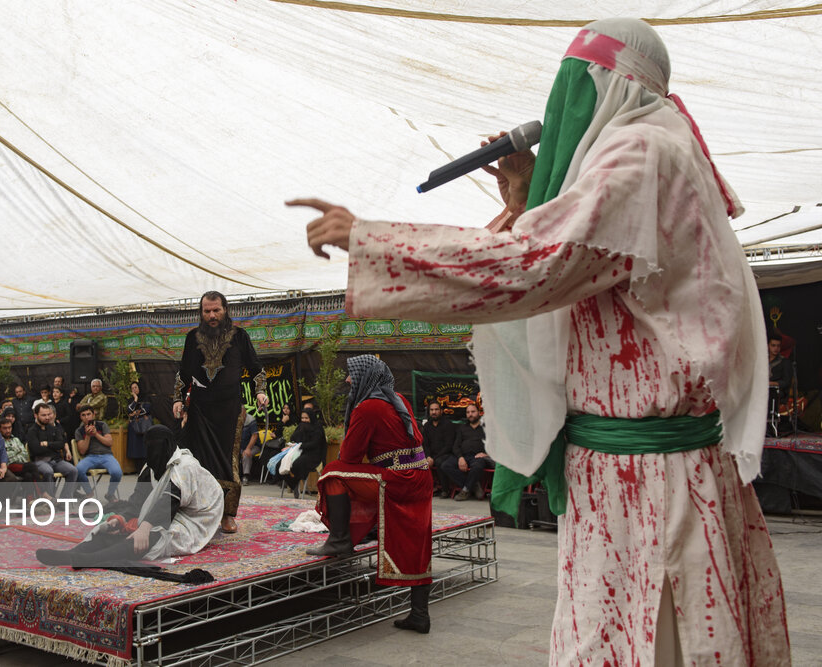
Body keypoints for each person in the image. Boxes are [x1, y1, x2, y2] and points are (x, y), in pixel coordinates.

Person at [289, 18, 788, 664]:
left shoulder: (642, 156)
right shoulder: (655, 148)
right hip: (629, 477)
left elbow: (534, 267)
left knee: (649, 640)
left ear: (606, 87)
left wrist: (372, 240)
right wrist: (527, 195)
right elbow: (566, 271)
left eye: (571, 87)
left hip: (652, 486)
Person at [305, 355, 432, 634]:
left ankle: (340, 540)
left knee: (333, 473)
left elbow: (350, 455)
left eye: (352, 375)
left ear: (366, 377)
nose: (348, 380)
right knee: (418, 542)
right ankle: (419, 614)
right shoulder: (397, 398)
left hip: (397, 479)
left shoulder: (368, 407)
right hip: (420, 477)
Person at [36, 425, 223, 568]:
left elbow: (169, 501)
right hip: (173, 508)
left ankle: (90, 560)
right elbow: (138, 500)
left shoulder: (184, 466)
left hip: (196, 515)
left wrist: (144, 528)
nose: (152, 450)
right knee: (116, 528)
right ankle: (74, 553)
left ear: (166, 445)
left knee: (153, 535)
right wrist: (120, 519)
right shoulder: (151, 466)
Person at [172, 291, 268, 534]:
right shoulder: (192, 338)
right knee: (198, 462)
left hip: (230, 409)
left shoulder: (239, 337)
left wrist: (260, 391)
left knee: (228, 461)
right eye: (207, 311)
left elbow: (256, 369)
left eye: (216, 310)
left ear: (225, 309)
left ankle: (227, 514)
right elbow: (183, 373)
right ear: (201, 312)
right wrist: (178, 399)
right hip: (200, 410)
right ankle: (201, 512)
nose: (212, 315)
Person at [26, 403, 79, 499]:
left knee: (73, 470)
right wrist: (53, 446)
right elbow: (36, 449)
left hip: (56, 460)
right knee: (48, 471)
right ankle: (51, 500)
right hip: (40, 461)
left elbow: (61, 443)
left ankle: (64, 499)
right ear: (36, 415)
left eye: (48, 414)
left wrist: (47, 444)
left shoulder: (53, 428)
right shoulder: (32, 431)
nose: (47, 417)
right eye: (43, 415)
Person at [441, 404, 492, 501]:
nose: (470, 414)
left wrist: (486, 454)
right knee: (445, 465)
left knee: (478, 466)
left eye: (473, 412)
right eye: (468, 412)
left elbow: (494, 445)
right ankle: (473, 485)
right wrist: (460, 457)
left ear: (479, 413)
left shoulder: (486, 428)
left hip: (478, 457)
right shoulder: (462, 428)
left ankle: (465, 489)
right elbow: (456, 446)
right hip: (463, 455)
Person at [74, 405, 121, 501]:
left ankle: (110, 494)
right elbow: (82, 451)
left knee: (117, 472)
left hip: (107, 456)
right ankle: (89, 492)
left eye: (88, 414)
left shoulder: (102, 425)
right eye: (83, 415)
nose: (87, 417)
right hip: (90, 457)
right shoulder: (79, 430)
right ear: (80, 417)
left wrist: (96, 434)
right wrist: (87, 436)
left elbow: (109, 442)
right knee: (78, 469)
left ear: (93, 415)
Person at [283, 408, 327, 493]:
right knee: (282, 463)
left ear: (311, 417)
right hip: (301, 452)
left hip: (314, 455)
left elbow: (315, 443)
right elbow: (293, 438)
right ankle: (294, 483)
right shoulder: (301, 426)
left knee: (297, 463)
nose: (304, 420)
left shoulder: (317, 427)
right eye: (302, 418)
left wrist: (300, 445)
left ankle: (294, 482)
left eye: (306, 418)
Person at [420, 401, 457, 498]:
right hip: (431, 456)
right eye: (431, 410)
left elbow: (449, 445)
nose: (434, 412)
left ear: (441, 411)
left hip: (446, 454)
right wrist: (428, 457)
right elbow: (425, 444)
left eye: (436, 409)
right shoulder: (427, 426)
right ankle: (429, 488)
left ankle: (445, 490)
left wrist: (434, 458)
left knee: (440, 462)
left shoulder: (448, 424)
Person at [126, 381, 152, 464]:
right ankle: (137, 467)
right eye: (132, 388)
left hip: (144, 426)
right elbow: (129, 410)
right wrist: (135, 399)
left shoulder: (145, 397)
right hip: (134, 427)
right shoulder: (131, 399)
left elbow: (146, 409)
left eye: (135, 387)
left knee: (144, 447)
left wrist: (135, 413)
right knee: (135, 447)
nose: (134, 389)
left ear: (139, 387)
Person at [768, 332, 794, 399]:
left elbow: (786, 382)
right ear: (768, 345)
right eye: (773, 345)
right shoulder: (762, 361)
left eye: (778, 346)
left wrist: (771, 383)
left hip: (777, 392)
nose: (776, 348)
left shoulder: (785, 362)